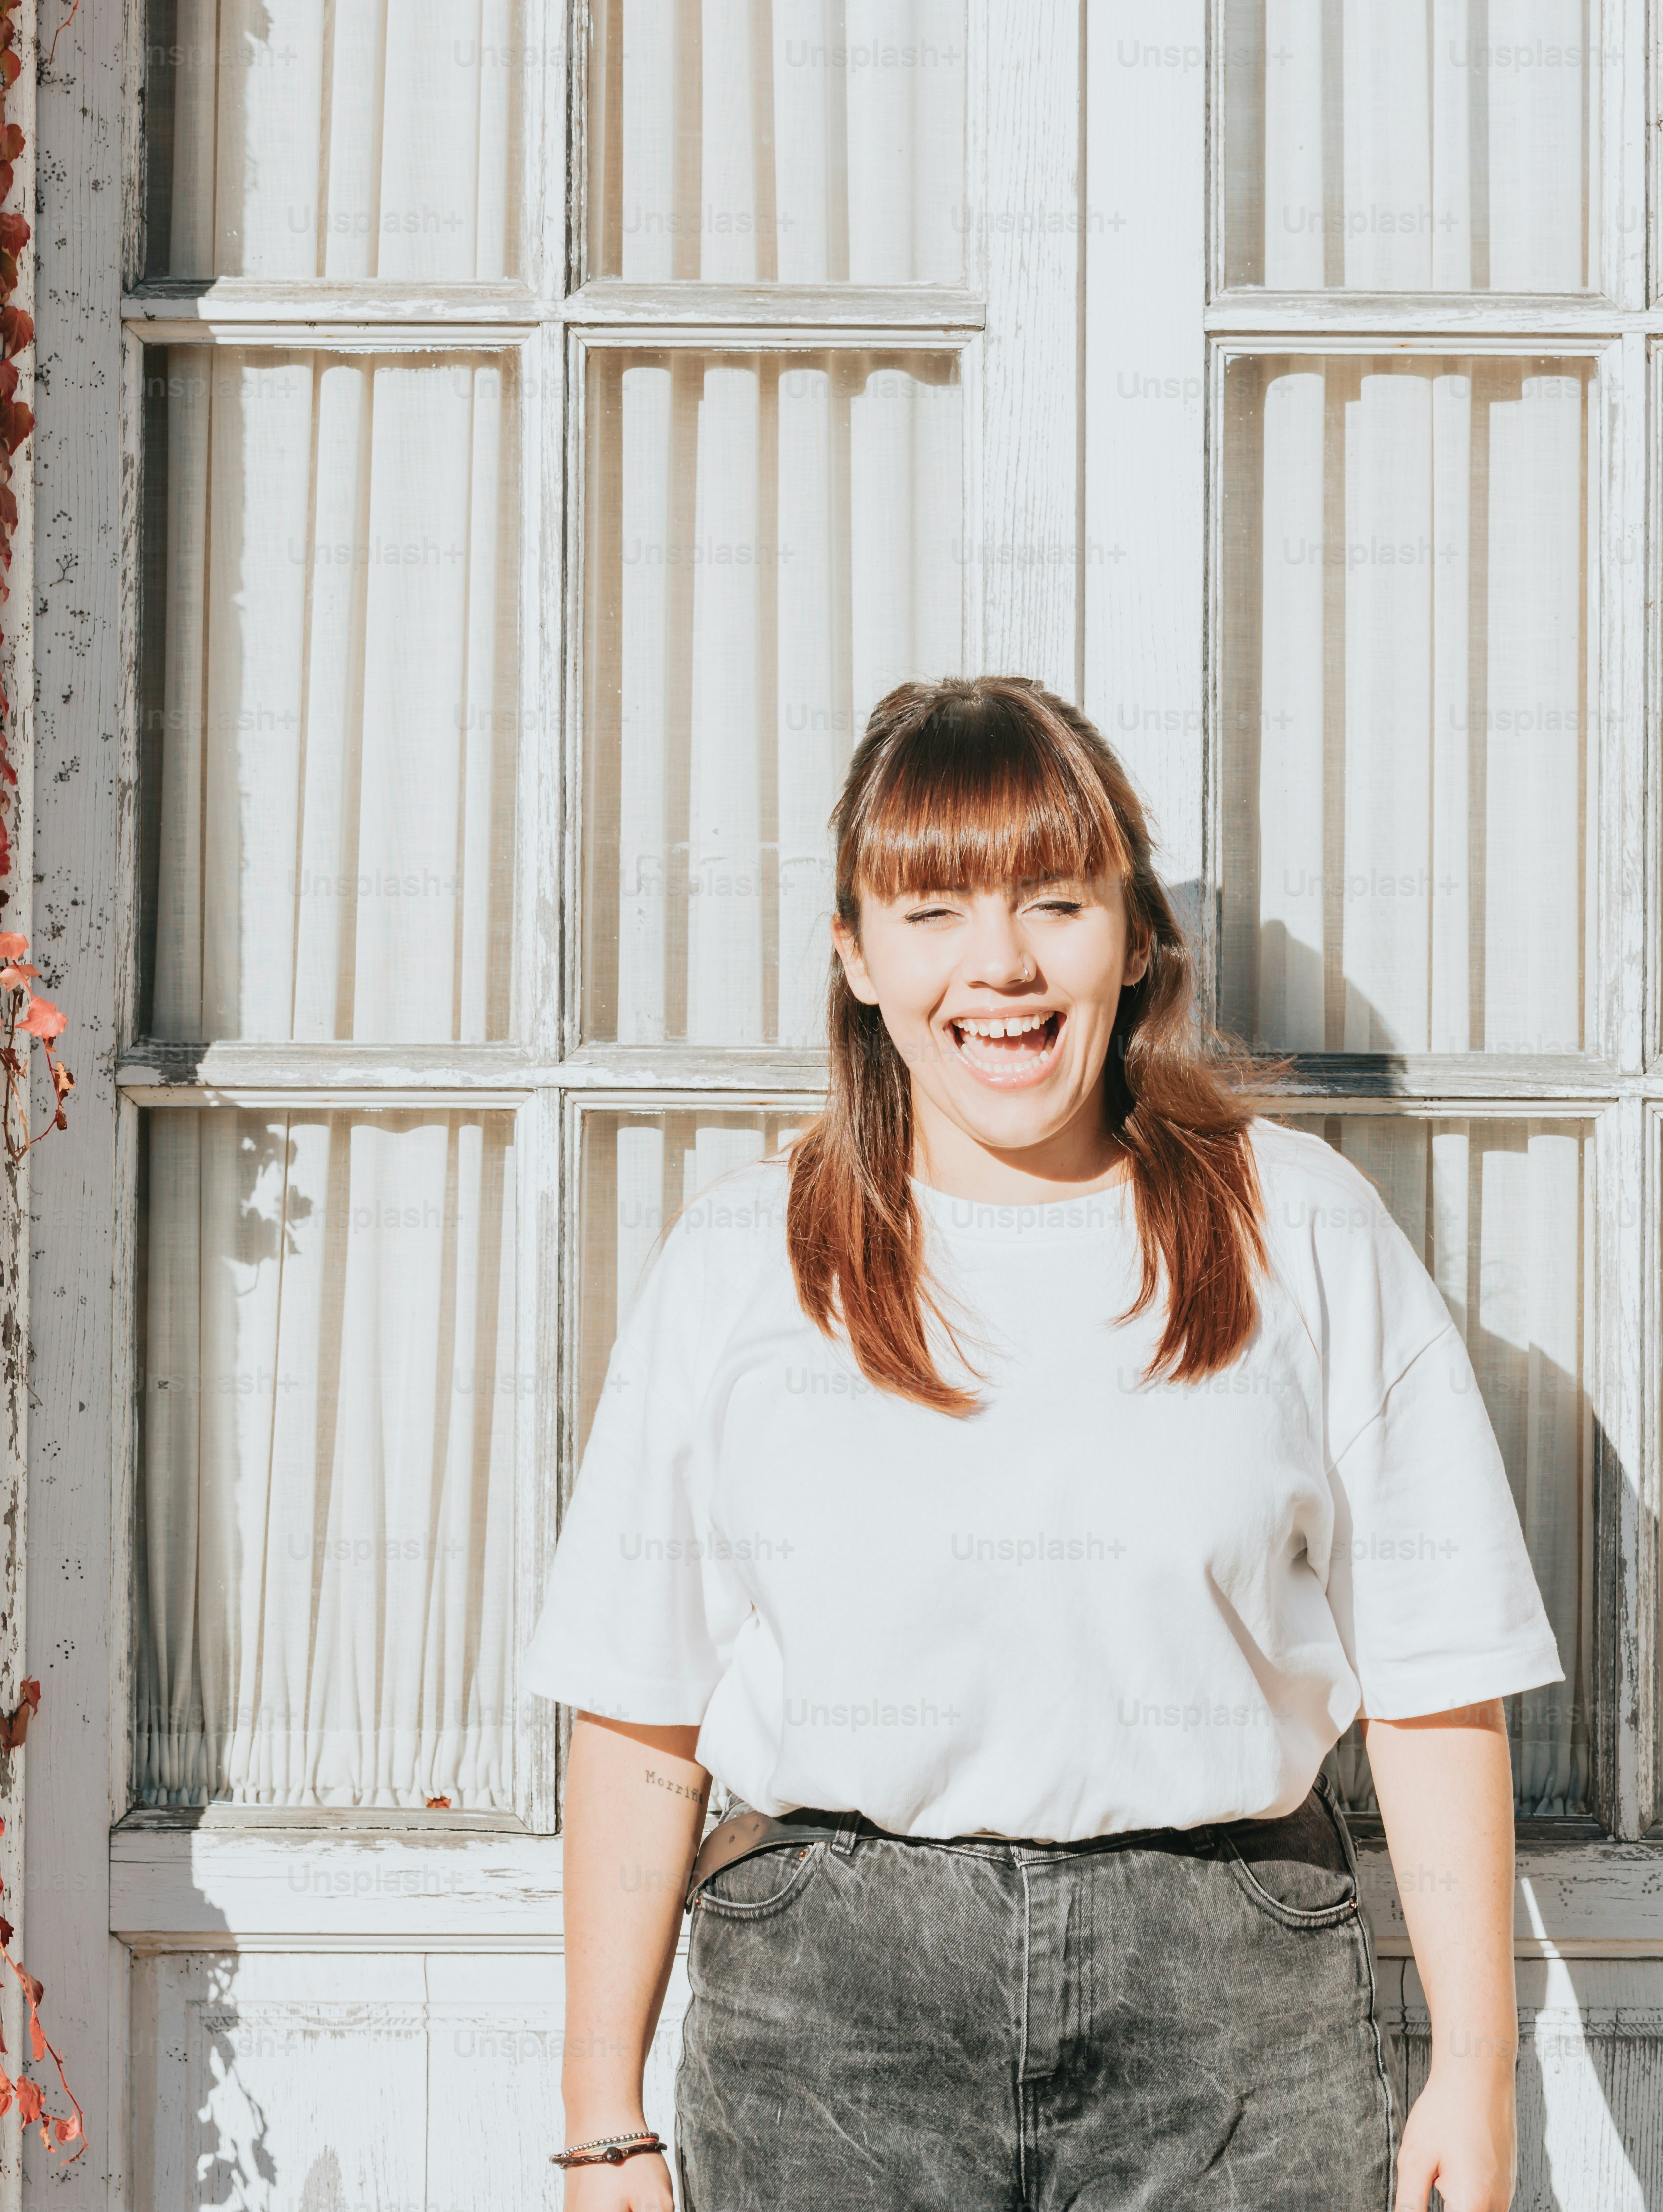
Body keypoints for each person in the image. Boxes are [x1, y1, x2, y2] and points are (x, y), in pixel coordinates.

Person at [521, 674, 1565, 2211]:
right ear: (856, 957)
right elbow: (637, 1706)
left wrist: (1477, 2069)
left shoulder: (1305, 1232)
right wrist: (601, 2108)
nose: (999, 966)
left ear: (1134, 940)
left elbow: (1433, 1681)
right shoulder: (745, 1265)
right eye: (933, 911)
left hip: (1231, 2016)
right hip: (831, 2021)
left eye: (1055, 902)